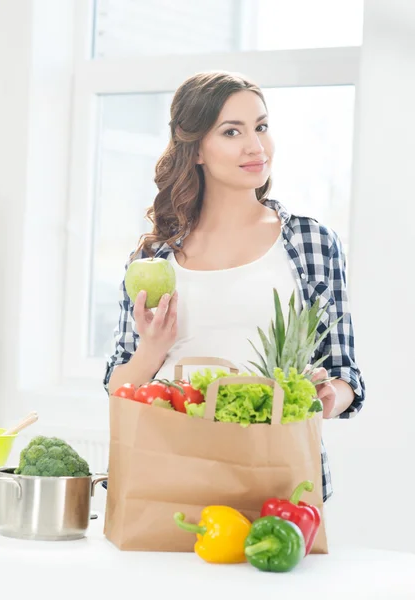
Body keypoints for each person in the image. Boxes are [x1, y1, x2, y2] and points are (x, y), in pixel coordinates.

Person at [103, 70, 365, 503]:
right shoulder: (153, 258)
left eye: (261, 126)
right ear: (197, 150)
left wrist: (325, 398)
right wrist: (151, 349)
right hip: (168, 472)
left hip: (273, 473)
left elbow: (345, 374)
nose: (256, 147)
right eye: (232, 131)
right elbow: (119, 388)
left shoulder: (310, 243)